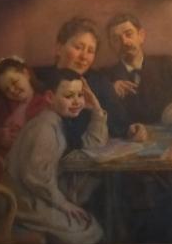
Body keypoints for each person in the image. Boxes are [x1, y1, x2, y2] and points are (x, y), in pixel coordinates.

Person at [2, 68, 105, 244]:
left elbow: (93, 145)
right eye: (69, 96)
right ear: (50, 97)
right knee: (88, 229)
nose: (77, 101)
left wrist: (96, 109)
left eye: (80, 95)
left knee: (88, 222)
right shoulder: (44, 127)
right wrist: (63, 204)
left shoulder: (58, 121)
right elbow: (35, 177)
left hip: (39, 195)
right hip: (24, 202)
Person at [34, 17, 141, 148]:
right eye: (78, 47)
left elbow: (120, 122)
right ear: (59, 48)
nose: (84, 57)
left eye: (90, 51)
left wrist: (131, 129)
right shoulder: (39, 79)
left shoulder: (99, 81)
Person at [102, 13, 172, 126]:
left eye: (129, 34)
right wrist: (110, 92)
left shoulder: (167, 64)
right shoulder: (105, 78)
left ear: (141, 36)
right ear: (111, 45)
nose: (124, 42)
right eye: (116, 39)